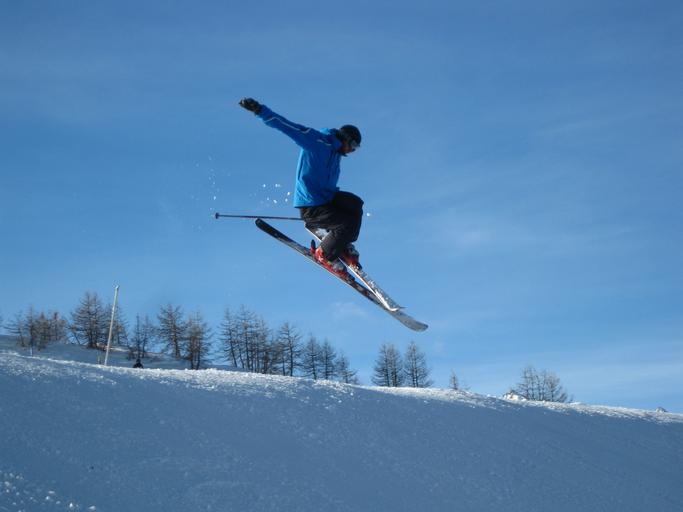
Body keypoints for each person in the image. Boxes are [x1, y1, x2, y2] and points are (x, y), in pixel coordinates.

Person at [239, 98, 363, 279]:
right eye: (353, 146)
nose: (353, 151)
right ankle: (324, 255)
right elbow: (289, 127)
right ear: (345, 138)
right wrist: (260, 111)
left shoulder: (336, 155)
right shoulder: (317, 142)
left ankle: (341, 244)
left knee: (355, 204)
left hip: (326, 199)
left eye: (356, 148)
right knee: (346, 224)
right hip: (311, 205)